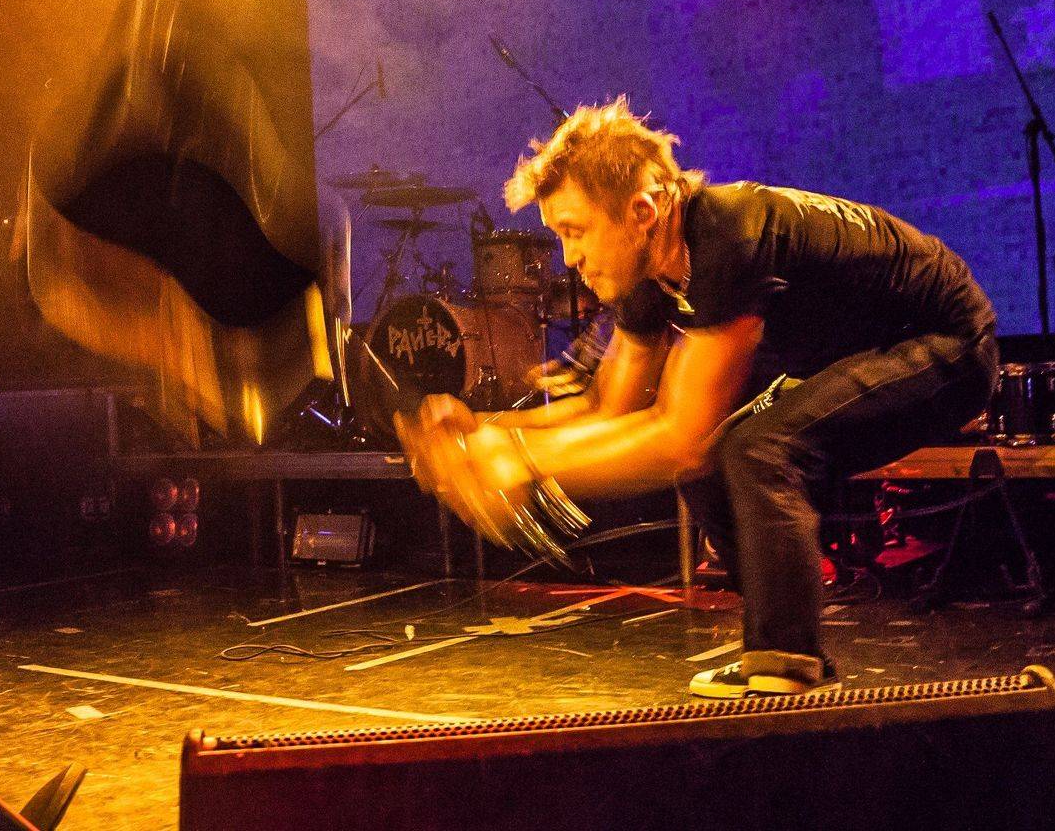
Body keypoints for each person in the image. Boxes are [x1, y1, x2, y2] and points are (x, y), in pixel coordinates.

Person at [397, 96, 997, 698]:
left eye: (575, 232)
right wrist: (489, 432)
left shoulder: (727, 237)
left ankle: (786, 662)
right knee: (715, 461)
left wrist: (523, 464)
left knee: (758, 450)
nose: (569, 257)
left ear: (641, 211)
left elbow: (677, 437)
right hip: (853, 355)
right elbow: (612, 407)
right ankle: (782, 651)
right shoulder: (649, 271)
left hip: (946, 341)